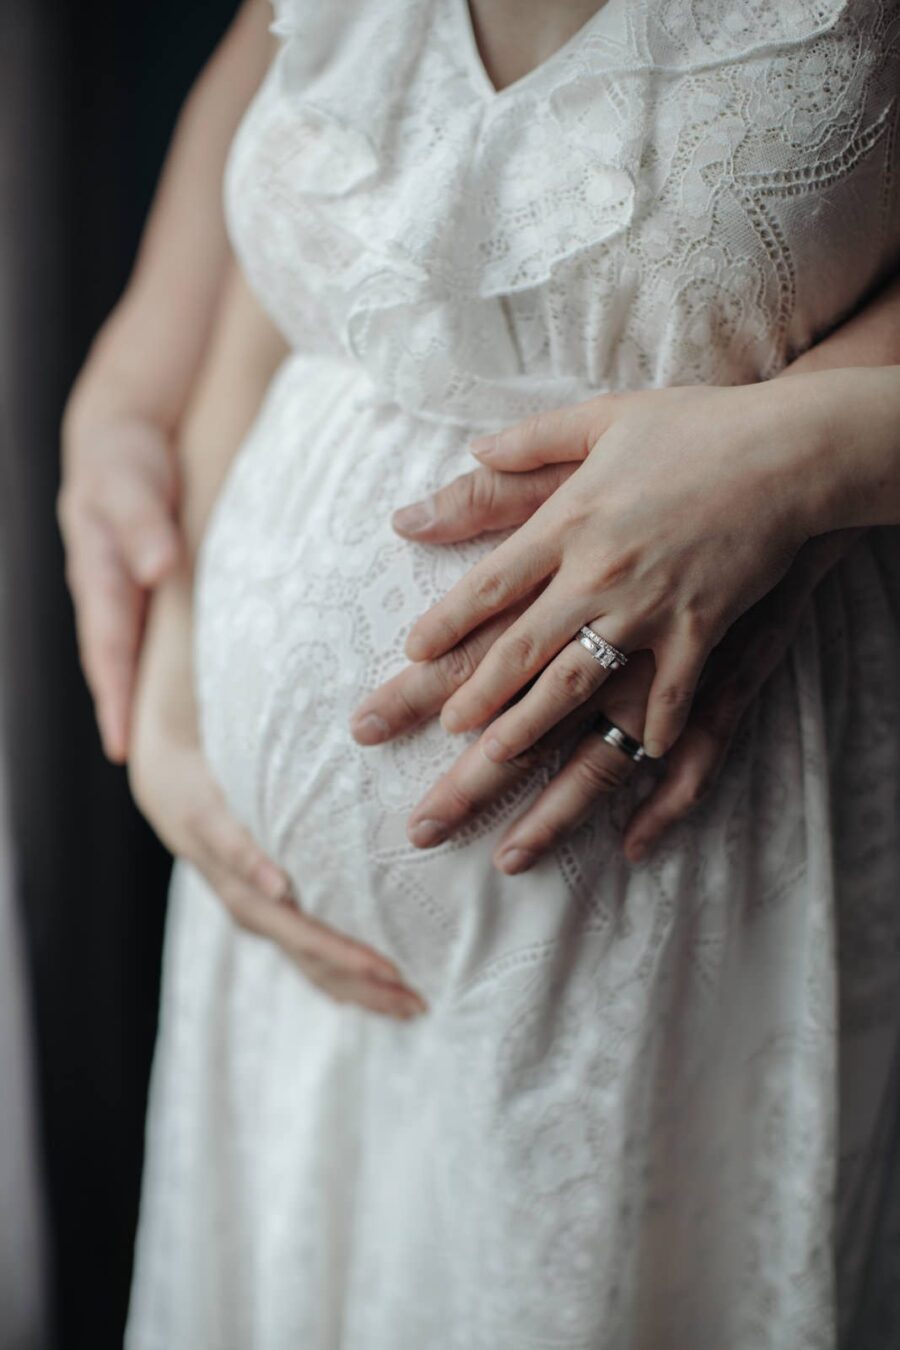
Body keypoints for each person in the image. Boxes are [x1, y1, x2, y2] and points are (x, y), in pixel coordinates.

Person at [60, 0, 900, 1345]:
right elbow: (272, 185)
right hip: (276, 984)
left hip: (680, 941)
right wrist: (174, 694)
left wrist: (806, 454)